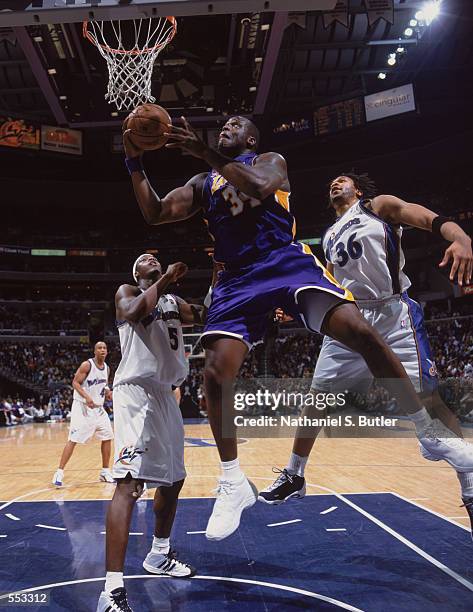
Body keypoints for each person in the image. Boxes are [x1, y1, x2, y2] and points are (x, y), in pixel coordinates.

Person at [123, 116, 473, 543]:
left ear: (251, 138)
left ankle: (426, 431)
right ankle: (235, 481)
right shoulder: (203, 182)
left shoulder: (271, 160)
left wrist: (206, 153)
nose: (227, 126)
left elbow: (257, 187)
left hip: (285, 261)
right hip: (236, 277)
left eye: (237, 124)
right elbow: (156, 211)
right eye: (224, 124)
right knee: (215, 372)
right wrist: (133, 161)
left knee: (358, 331)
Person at [258, 173, 473, 529]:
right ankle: (294, 475)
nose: (334, 184)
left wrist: (461, 237)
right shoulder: (329, 235)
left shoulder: (378, 207)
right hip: (350, 318)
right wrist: (294, 307)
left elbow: (425, 217)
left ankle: (467, 480)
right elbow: (328, 281)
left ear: (357, 190)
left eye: (342, 180)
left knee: (430, 401)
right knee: (317, 401)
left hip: (392, 314)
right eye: (331, 182)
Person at [97, 254, 205, 612]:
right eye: (143, 259)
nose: (150, 257)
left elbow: (206, 314)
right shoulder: (127, 291)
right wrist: (167, 279)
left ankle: (158, 554)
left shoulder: (173, 301)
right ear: (137, 273)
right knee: (128, 484)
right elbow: (133, 312)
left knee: (174, 480)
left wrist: (224, 278)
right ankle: (111, 591)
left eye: (154, 257)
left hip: (165, 394)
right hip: (135, 394)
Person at [52, 341, 114, 486]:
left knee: (107, 437)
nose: (102, 350)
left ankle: (105, 472)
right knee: (73, 439)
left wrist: (107, 392)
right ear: (94, 351)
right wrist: (86, 397)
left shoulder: (107, 368)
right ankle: (59, 472)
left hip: (98, 409)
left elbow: (103, 385)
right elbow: (75, 383)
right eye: (99, 348)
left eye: (105, 348)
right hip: (82, 407)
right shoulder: (87, 365)